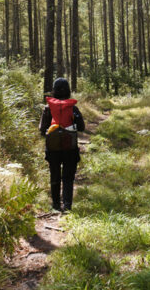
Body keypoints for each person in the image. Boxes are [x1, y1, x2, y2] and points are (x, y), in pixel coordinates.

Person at [39, 78, 85, 212]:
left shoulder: (48, 108)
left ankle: (55, 205)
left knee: (55, 175)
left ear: (54, 91)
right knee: (68, 177)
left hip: (53, 148)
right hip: (70, 148)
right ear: (68, 91)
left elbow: (42, 129)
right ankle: (67, 205)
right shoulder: (73, 108)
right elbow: (81, 127)